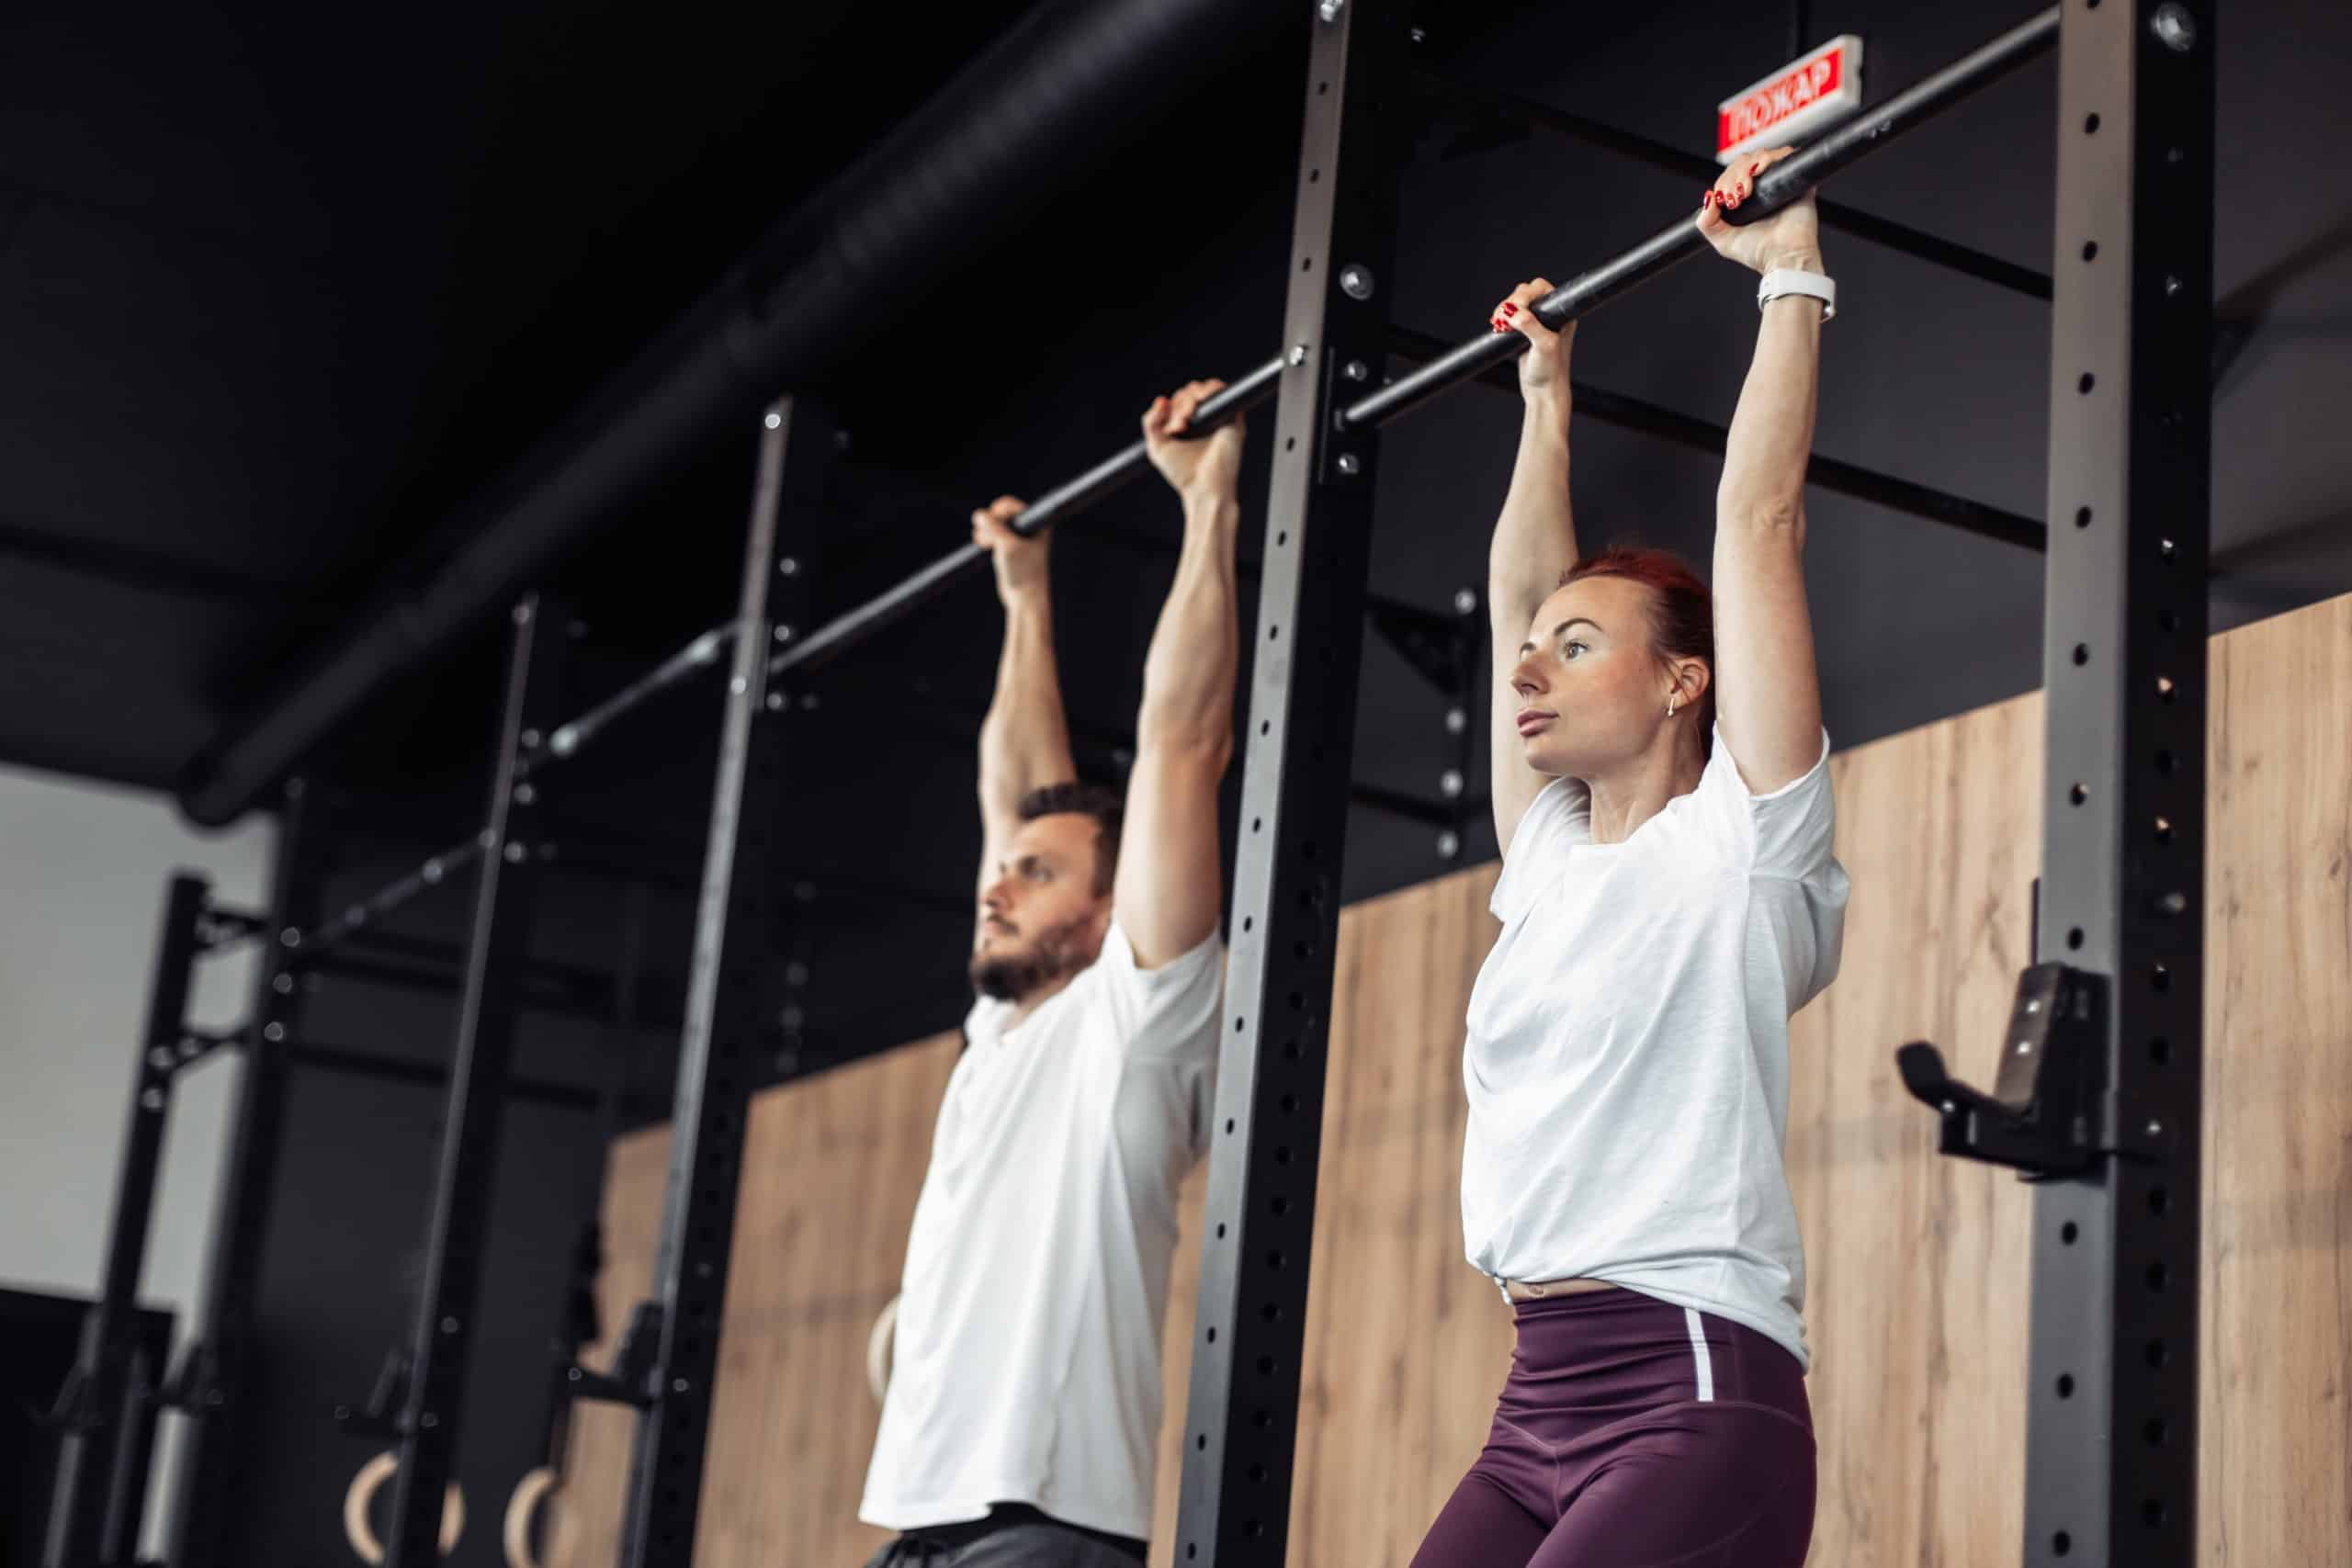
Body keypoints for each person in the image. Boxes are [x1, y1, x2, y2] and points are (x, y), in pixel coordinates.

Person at [1408, 146, 1852, 1568]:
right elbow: (1511, 599)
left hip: (1693, 1382)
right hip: (1533, 1397)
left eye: (1580, 645)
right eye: (1536, 652)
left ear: (1681, 683)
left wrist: (1789, 273)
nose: (1530, 668)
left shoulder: (1746, 837)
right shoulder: (1543, 858)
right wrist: (1546, 398)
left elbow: (1758, 522)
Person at [856, 378, 1244, 1567]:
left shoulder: (1137, 1017)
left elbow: (1182, 744)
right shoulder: (1000, 1035)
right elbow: (1015, 788)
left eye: (1035, 874)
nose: (997, 886)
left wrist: (1210, 502)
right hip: (923, 1528)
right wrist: (1023, 595)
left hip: (1043, 1532)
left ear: (1110, 910)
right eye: (1003, 870)